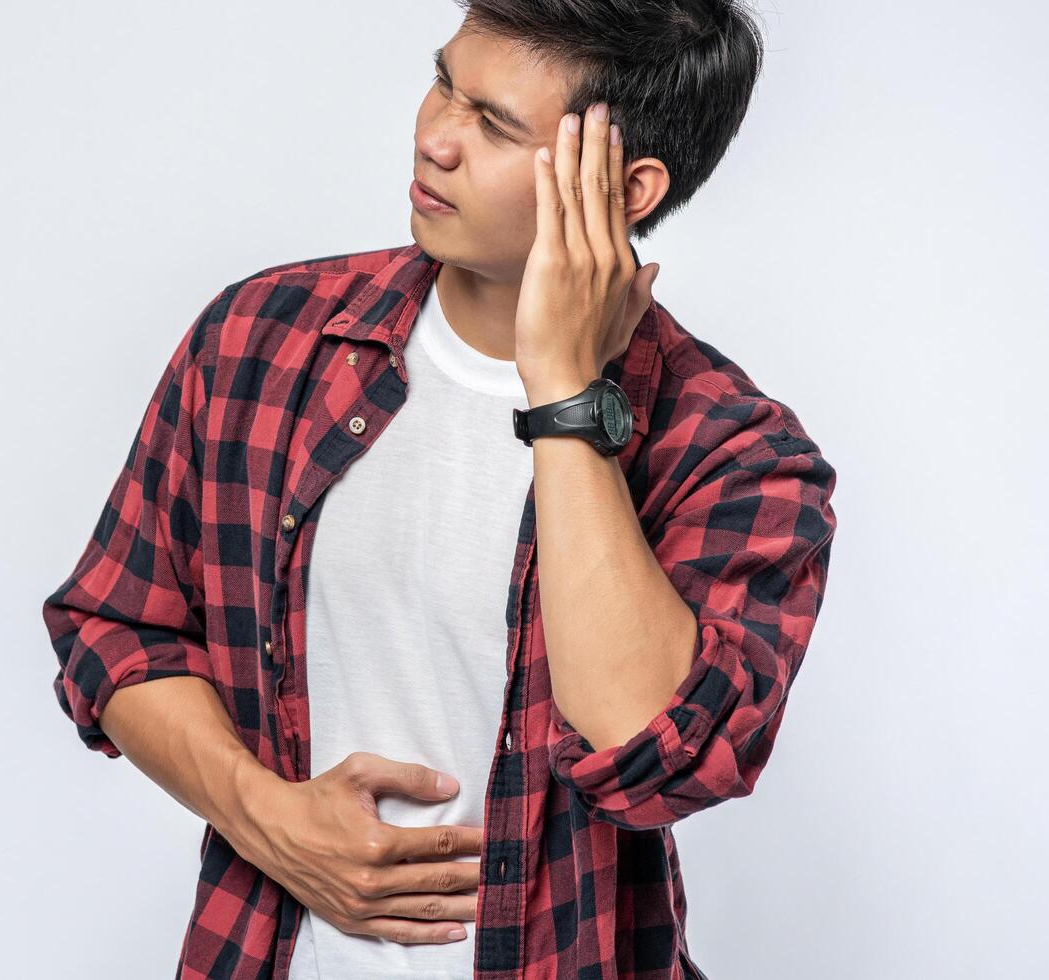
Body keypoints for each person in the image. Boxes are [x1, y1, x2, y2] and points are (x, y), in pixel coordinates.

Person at [41, 3, 837, 978]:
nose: (434, 136)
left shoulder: (735, 452)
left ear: (628, 188)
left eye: (495, 124)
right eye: (443, 83)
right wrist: (263, 812)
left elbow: (650, 754)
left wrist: (564, 392)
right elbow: (116, 624)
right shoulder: (264, 337)